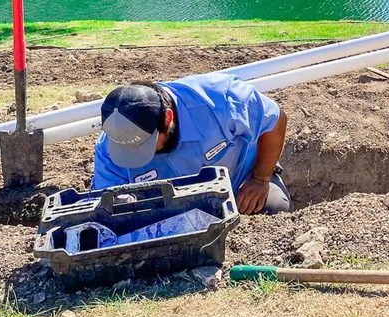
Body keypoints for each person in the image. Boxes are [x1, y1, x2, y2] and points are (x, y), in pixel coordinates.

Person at [92, 72, 290, 214]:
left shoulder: (220, 99)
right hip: (170, 212)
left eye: (144, 144)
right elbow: (107, 209)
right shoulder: (107, 150)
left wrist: (260, 179)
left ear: (168, 119)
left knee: (275, 208)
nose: (135, 152)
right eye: (126, 149)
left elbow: (274, 120)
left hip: (239, 184)